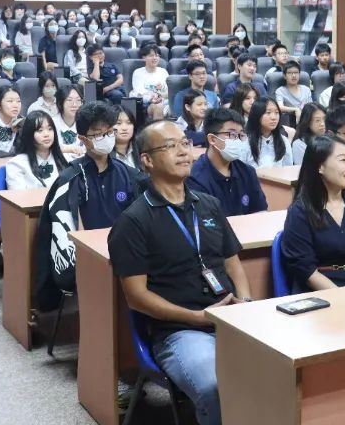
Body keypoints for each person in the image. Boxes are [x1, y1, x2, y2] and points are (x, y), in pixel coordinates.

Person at [107, 120, 252, 425]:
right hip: (179, 331)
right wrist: (198, 317)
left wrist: (247, 306)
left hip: (233, 319)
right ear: (146, 160)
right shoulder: (133, 222)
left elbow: (232, 264)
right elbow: (136, 297)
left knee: (286, 367)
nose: (184, 152)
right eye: (171, 146)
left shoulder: (209, 205)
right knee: (215, 386)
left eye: (185, 143)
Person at [281, 134, 345, 292]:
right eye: (342, 160)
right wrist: (342, 296)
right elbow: (305, 268)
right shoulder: (300, 212)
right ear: (320, 167)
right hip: (318, 293)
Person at [65, 102, 145, 229]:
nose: (106, 138)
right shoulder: (73, 177)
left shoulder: (127, 173)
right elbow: (74, 229)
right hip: (88, 246)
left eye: (109, 132)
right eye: (98, 134)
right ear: (83, 139)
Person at [187, 108, 267, 216]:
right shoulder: (195, 178)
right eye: (232, 135)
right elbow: (204, 223)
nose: (238, 141)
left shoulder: (248, 172)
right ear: (212, 139)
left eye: (241, 135)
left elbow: (260, 212)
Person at [5, 111, 68, 191]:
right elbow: (17, 199)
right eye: (40, 130)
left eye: (50, 129)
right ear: (29, 134)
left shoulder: (65, 159)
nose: (46, 134)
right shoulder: (17, 164)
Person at [245, 97, 293, 169]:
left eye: (276, 113)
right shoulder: (245, 141)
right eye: (268, 113)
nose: (274, 117)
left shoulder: (284, 141)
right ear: (257, 115)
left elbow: (288, 169)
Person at [131, 43, 169, 121]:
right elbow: (139, 93)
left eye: (157, 55)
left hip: (165, 102)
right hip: (148, 104)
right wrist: (151, 99)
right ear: (144, 57)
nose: (155, 58)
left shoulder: (163, 71)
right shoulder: (138, 72)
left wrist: (162, 96)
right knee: (158, 107)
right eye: (151, 56)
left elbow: (169, 90)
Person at [53, 83, 87, 159]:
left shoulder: (85, 123)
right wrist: (70, 149)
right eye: (69, 100)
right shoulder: (51, 123)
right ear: (60, 103)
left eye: (78, 100)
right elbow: (49, 148)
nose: (74, 105)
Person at [291, 103, 327, 167]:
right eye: (317, 120)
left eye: (324, 119)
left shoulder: (330, 138)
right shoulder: (299, 144)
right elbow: (302, 169)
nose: (322, 124)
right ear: (307, 122)